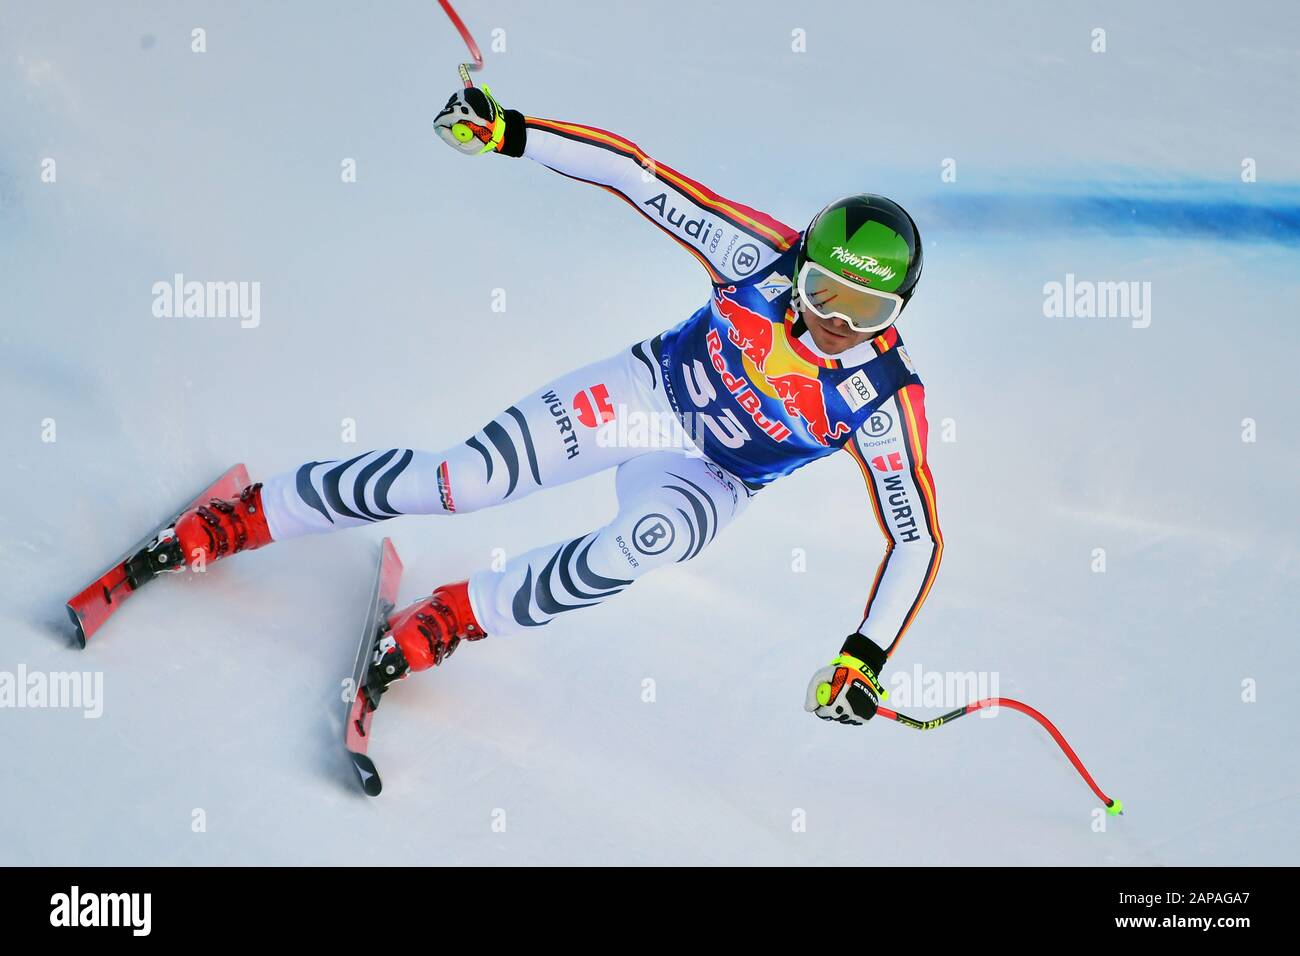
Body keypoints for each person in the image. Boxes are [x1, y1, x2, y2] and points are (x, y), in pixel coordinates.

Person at [168, 85, 943, 726]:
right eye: (823, 294)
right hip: (645, 394)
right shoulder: (756, 255)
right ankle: (255, 513)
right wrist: (507, 132)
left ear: (898, 312)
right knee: (464, 483)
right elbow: (639, 175)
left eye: (867, 312)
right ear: (801, 265)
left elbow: (918, 540)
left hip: (712, 478)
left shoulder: (882, 400)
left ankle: (456, 617)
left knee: (640, 545)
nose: (837, 323)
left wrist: (861, 658)